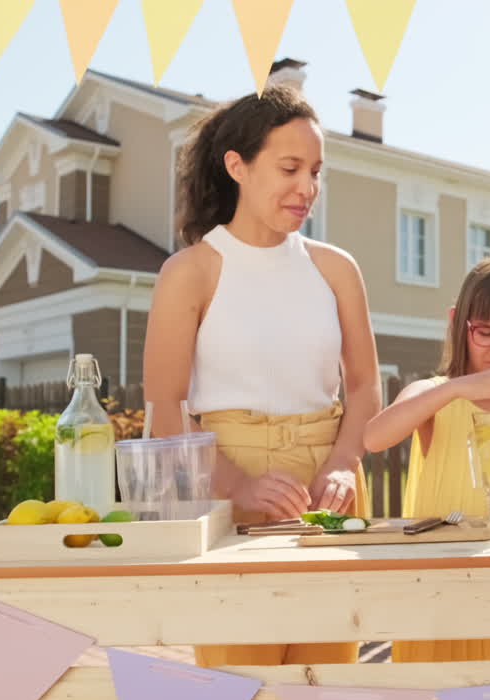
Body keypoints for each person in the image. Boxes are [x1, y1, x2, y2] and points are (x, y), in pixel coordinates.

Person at [143, 85, 380, 667]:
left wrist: (343, 466)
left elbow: (366, 388)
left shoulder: (336, 269)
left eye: (316, 172)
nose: (307, 188)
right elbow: (165, 409)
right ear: (237, 167)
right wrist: (240, 486)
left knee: (329, 690)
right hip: (228, 492)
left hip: (330, 497)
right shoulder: (190, 273)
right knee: (240, 689)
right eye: (290, 168)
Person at [364, 255, 490, 662]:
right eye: (486, 332)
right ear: (458, 322)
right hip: (439, 591)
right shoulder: (433, 394)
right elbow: (374, 438)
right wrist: (456, 388)